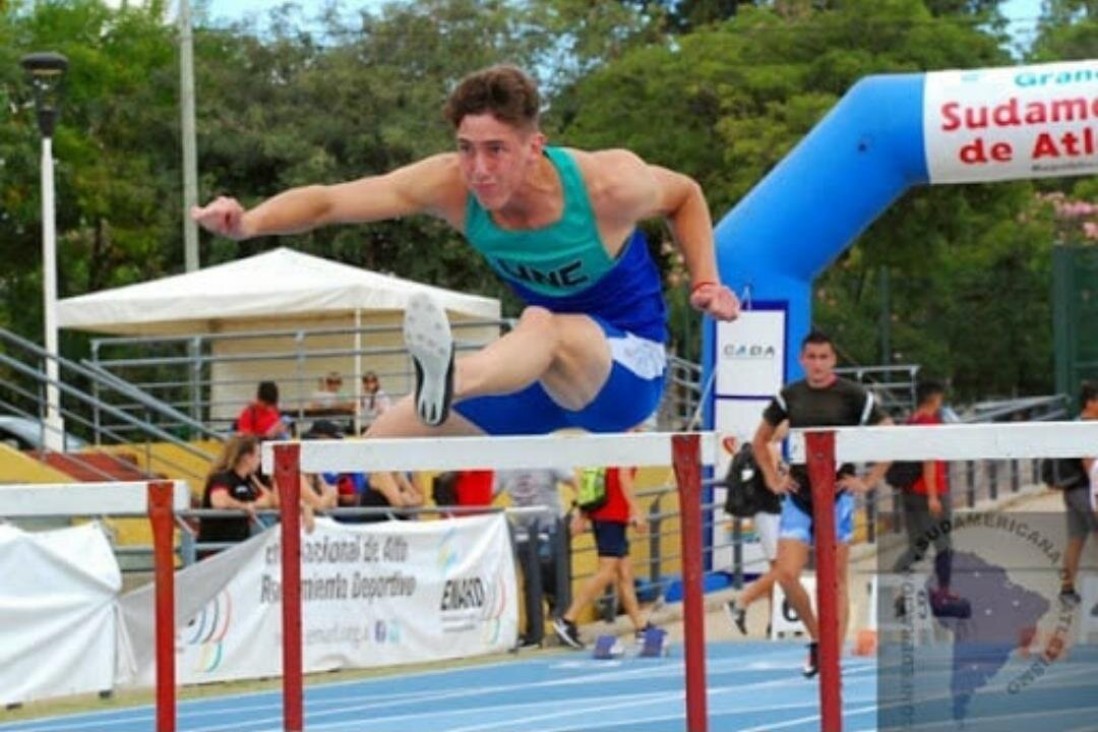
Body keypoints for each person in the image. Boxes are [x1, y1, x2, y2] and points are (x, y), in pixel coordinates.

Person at [192, 64, 738, 440]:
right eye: (466, 150)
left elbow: (685, 194)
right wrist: (251, 222)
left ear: (534, 147)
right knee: (379, 439)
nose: (478, 169)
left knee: (543, 321)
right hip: (534, 379)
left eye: (497, 151)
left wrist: (705, 282)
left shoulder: (606, 185)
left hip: (626, 372)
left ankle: (450, 378)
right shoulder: (451, 187)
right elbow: (331, 202)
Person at [751, 329, 891, 678]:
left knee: (835, 580)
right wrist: (772, 478)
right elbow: (759, 440)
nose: (817, 364)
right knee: (785, 573)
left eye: (823, 357)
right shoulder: (789, 396)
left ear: (833, 360)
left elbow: (891, 433)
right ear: (802, 360)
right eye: (810, 357)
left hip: (837, 496)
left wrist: (869, 480)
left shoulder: (854, 395)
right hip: (799, 495)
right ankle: (818, 639)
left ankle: (833, 657)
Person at [890, 379, 968, 619]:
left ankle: (901, 587)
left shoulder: (911, 421)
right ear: (935, 398)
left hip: (910, 492)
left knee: (917, 545)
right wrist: (934, 496)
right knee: (944, 543)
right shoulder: (929, 423)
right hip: (930, 491)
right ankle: (944, 591)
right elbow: (929, 460)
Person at [552, 465, 652, 649]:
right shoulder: (629, 446)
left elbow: (595, 480)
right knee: (606, 573)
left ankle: (641, 628)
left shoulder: (612, 445)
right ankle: (567, 620)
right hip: (611, 516)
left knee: (624, 574)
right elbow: (623, 477)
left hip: (607, 515)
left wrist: (583, 512)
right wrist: (636, 510)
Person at [725, 424, 787, 637]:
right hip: (768, 510)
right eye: (786, 425)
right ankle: (742, 602)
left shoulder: (772, 447)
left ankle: (774, 620)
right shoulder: (768, 446)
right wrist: (789, 478)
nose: (788, 430)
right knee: (782, 568)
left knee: (777, 567)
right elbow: (774, 484)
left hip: (771, 510)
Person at [196, 434, 277, 558]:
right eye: (258, 456)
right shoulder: (222, 477)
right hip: (215, 549)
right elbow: (219, 501)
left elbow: (270, 500)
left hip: (237, 547)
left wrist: (252, 504)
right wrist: (243, 506)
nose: (260, 460)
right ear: (246, 457)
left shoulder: (249, 480)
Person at [1059, 381, 1098, 606]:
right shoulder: (1088, 427)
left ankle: (1066, 589)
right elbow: (1090, 466)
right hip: (1087, 492)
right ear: (1090, 402)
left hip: (1072, 492)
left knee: (1075, 540)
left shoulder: (1075, 424)